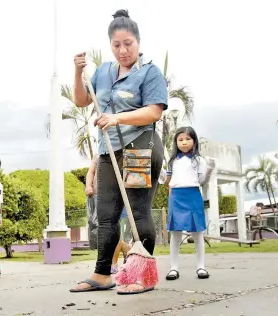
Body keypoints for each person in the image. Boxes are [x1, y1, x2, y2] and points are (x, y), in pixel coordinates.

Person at [69, 9, 167, 295]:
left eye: (128, 44)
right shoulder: (102, 72)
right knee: (106, 214)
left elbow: (154, 112)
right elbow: (81, 100)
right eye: (117, 45)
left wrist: (117, 118)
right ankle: (102, 274)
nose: (123, 51)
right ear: (110, 45)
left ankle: (142, 275)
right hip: (108, 151)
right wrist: (77, 72)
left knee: (137, 211)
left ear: (138, 42)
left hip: (140, 145)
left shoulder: (149, 72)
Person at [164, 127, 214, 281]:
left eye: (188, 139)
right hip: (176, 197)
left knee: (197, 233)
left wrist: (210, 169)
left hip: (193, 195)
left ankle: (201, 267)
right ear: (176, 142)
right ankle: (173, 268)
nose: (184, 142)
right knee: (175, 233)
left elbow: (201, 181)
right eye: (180, 139)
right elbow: (168, 181)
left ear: (194, 141)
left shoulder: (199, 160)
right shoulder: (173, 161)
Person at [85, 156, 131, 274]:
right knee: (107, 231)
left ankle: (113, 263)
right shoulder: (99, 157)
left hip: (116, 197)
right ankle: (125, 248)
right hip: (99, 197)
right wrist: (89, 186)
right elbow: (91, 172)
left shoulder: (122, 155)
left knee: (114, 231)